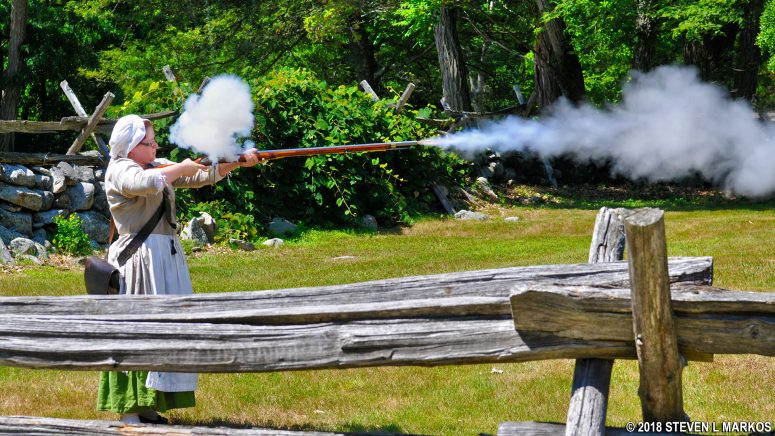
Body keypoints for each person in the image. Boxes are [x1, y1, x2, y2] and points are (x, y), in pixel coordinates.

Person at [96, 114, 260, 424]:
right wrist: (180, 167)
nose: (155, 145)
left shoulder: (157, 167)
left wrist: (238, 162)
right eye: (148, 142)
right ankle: (130, 410)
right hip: (138, 261)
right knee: (139, 332)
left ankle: (149, 405)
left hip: (163, 258)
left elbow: (201, 176)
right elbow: (144, 184)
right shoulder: (120, 169)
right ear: (131, 146)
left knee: (166, 330)